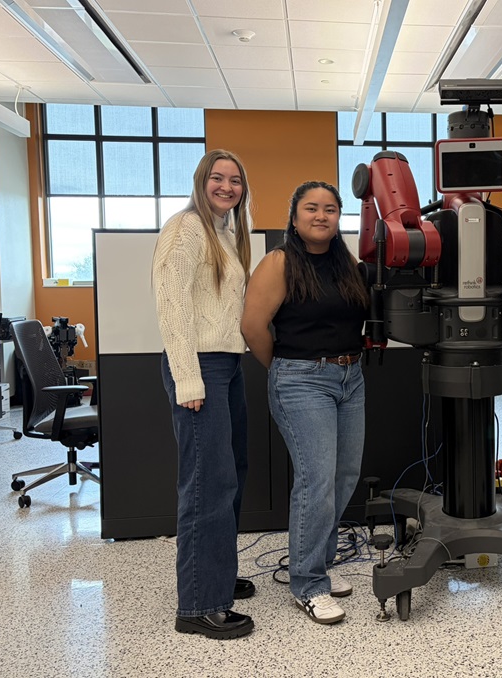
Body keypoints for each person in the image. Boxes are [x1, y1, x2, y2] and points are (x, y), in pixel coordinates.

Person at [241, 181, 369, 625]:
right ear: (294, 217)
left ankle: (319, 563)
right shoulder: (279, 263)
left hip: (350, 376)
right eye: (311, 208)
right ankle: (308, 584)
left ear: (338, 218)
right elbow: (253, 326)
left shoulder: (345, 262)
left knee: (343, 475)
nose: (321, 216)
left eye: (330, 209)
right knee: (316, 481)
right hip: (302, 379)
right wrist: (284, 367)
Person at [152, 149, 255, 639]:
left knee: (231, 474)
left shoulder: (226, 233)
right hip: (200, 368)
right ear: (201, 181)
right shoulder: (187, 227)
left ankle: (217, 575)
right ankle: (198, 605)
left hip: (226, 365)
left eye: (235, 180)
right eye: (218, 177)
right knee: (207, 484)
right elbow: (171, 301)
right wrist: (188, 379)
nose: (226, 186)